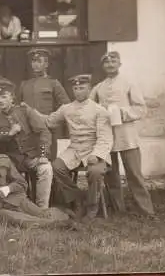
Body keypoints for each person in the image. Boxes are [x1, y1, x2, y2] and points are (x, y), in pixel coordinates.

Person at [0, 127, 69, 227]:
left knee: (41, 213)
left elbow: (22, 183)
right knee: (22, 220)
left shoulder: (4, 159)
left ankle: (66, 217)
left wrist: (8, 188)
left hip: (14, 199)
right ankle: (56, 225)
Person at [89, 51, 155, 217]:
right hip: (108, 137)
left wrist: (122, 112)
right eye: (106, 62)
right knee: (112, 175)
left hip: (127, 136)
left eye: (114, 61)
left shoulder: (129, 83)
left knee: (134, 173)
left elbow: (141, 108)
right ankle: (118, 209)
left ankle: (146, 210)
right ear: (103, 66)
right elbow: (91, 109)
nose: (110, 64)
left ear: (120, 64)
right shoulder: (99, 87)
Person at [43, 74, 113, 221]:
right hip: (74, 149)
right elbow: (49, 122)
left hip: (94, 148)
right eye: (75, 88)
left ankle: (93, 206)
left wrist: (97, 155)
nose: (78, 91)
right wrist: (30, 112)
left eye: (82, 88)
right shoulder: (66, 108)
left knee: (95, 171)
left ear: (89, 88)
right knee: (57, 166)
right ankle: (77, 199)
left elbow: (105, 137)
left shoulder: (99, 110)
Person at [0, 81, 53, 209]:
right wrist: (8, 133)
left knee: (46, 168)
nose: (0, 101)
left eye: (4, 97)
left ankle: (42, 208)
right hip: (9, 159)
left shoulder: (25, 111)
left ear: (12, 97)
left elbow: (44, 132)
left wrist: (43, 154)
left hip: (30, 156)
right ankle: (14, 206)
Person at [18, 48, 70, 160]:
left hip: (48, 130)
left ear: (46, 64)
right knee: (31, 162)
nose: (35, 64)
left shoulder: (53, 83)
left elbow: (66, 107)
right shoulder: (24, 84)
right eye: (33, 61)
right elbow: (17, 107)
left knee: (47, 160)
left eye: (39, 61)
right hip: (29, 132)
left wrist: (50, 118)